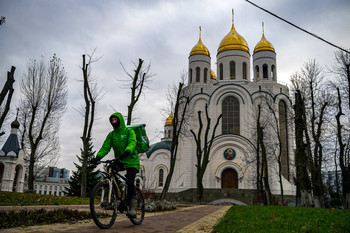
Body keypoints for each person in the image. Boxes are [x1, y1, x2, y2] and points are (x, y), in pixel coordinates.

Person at [91, 112, 140, 218]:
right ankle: (117, 196)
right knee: (110, 169)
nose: (113, 122)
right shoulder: (112, 135)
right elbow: (105, 147)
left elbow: (132, 142)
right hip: (121, 161)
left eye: (115, 120)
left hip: (132, 161)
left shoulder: (129, 131)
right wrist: (98, 157)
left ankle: (133, 208)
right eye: (112, 120)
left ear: (120, 120)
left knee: (130, 181)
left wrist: (127, 151)